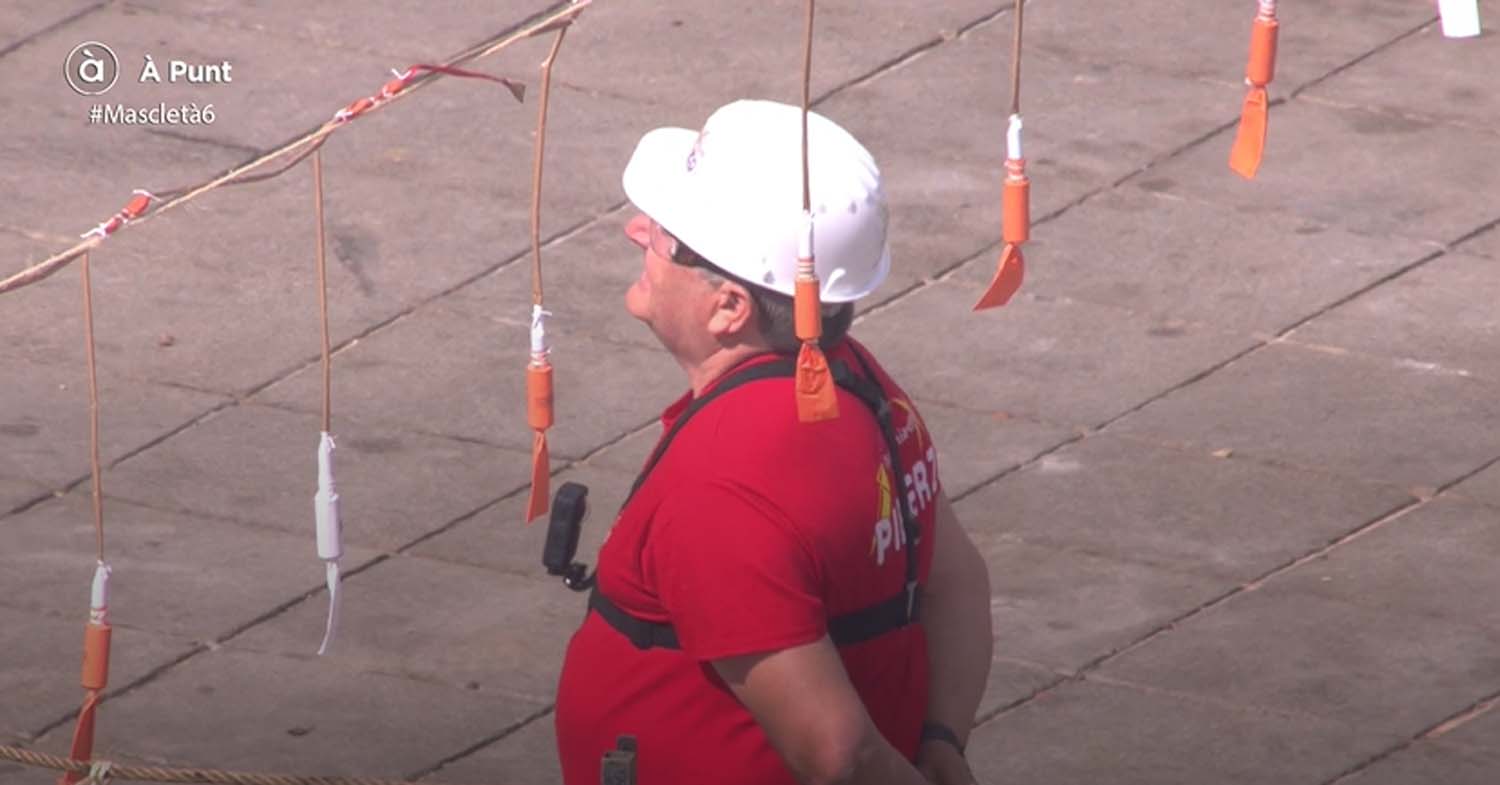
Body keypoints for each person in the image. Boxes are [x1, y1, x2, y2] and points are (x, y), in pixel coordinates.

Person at [554, 99, 993, 785]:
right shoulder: (853, 377)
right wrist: (942, 740)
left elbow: (837, 752)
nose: (635, 229)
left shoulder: (726, 485)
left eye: (665, 234)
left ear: (729, 306)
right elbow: (957, 581)